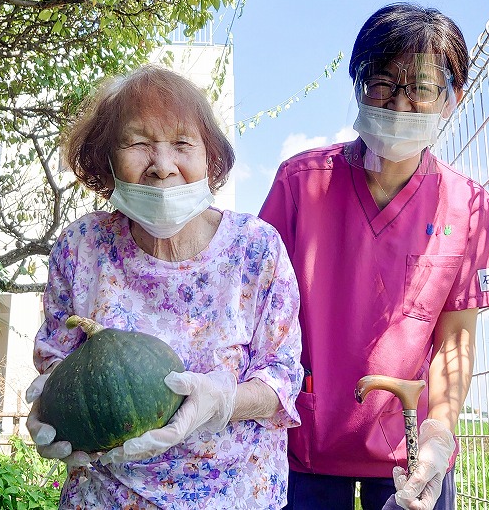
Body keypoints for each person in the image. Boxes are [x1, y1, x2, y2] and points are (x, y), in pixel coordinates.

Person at [259, 3, 489, 510]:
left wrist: (439, 438)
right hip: (303, 447)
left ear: (452, 99)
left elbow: (455, 341)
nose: (399, 105)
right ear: (357, 88)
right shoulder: (301, 184)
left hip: (410, 451)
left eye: (420, 88)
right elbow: (257, 311)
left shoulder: (470, 207)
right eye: (382, 83)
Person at [25, 65, 303, 509]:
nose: (162, 166)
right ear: (106, 161)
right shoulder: (81, 247)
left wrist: (224, 400)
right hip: (106, 497)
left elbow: (283, 379)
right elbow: (57, 365)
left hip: (234, 496)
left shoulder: (256, 249)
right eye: (137, 143)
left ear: (210, 158)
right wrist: (48, 412)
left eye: (182, 143)